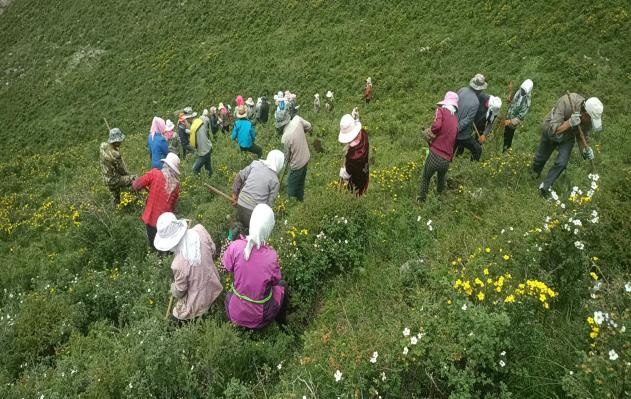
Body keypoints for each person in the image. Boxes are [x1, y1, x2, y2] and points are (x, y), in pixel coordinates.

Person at [222, 204, 287, 329]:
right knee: (282, 285)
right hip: (259, 318)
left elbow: (223, 268)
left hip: (235, 314)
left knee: (231, 293)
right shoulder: (271, 256)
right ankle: (282, 323)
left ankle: (236, 325)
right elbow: (275, 281)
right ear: (269, 228)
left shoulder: (236, 246)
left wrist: (230, 240)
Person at [154, 212, 223, 325]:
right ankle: (210, 307)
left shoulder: (178, 264)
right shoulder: (200, 230)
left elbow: (181, 291)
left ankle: (196, 317)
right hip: (213, 283)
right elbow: (213, 250)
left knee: (174, 320)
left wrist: (173, 288)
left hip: (198, 299)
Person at [532, 93, 602, 196]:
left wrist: (585, 150)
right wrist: (569, 122)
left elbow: (583, 136)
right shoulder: (566, 102)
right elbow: (553, 130)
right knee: (540, 158)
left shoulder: (588, 118)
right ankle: (533, 175)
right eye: (590, 120)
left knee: (562, 163)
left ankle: (544, 188)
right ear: (585, 113)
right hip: (551, 130)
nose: (590, 123)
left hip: (568, 136)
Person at [132, 152, 181, 250]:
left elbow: (136, 185)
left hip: (151, 219)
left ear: (165, 165)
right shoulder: (176, 186)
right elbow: (172, 206)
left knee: (153, 244)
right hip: (166, 223)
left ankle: (154, 259)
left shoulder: (155, 174)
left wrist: (134, 180)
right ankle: (164, 260)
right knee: (165, 246)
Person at [417, 92, 459, 202]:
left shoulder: (441, 110)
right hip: (446, 159)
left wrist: (430, 131)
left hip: (435, 154)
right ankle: (439, 199)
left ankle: (421, 201)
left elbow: (437, 126)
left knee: (426, 178)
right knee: (441, 180)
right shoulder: (455, 118)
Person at [231, 150, 284, 228]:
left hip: (240, 204)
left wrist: (234, 195)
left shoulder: (255, 164)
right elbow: (268, 205)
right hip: (254, 212)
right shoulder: (275, 181)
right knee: (251, 231)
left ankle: (239, 233)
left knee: (241, 227)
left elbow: (239, 176)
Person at [277, 107, 312, 202]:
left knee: (291, 188)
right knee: (300, 183)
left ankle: (291, 205)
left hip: (296, 165)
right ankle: (301, 201)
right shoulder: (297, 119)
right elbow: (309, 126)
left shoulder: (285, 137)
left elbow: (287, 157)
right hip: (306, 157)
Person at [454, 74, 486, 161]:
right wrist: (457, 128)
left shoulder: (462, 90)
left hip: (452, 128)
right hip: (462, 135)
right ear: (479, 89)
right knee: (477, 150)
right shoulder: (476, 102)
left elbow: (453, 106)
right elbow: (468, 120)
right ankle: (471, 168)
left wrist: (453, 128)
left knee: (450, 152)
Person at [100, 128, 136, 205]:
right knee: (134, 178)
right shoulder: (115, 154)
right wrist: (129, 175)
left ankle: (116, 207)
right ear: (115, 141)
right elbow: (121, 171)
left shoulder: (103, 146)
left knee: (116, 197)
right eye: (119, 141)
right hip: (113, 180)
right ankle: (137, 197)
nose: (121, 142)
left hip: (106, 178)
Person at [338, 113, 370, 196]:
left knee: (356, 191)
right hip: (365, 169)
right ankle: (363, 192)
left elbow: (347, 174)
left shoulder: (352, 156)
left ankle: (356, 202)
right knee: (364, 182)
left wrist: (343, 172)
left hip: (356, 179)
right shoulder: (363, 134)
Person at [503, 79, 533, 152]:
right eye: (522, 89)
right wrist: (510, 93)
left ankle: (506, 152)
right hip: (509, 116)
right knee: (505, 135)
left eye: (524, 91)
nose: (522, 91)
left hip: (512, 122)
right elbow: (513, 102)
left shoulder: (527, 103)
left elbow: (520, 118)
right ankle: (504, 149)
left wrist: (509, 121)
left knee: (509, 137)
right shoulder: (519, 91)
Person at [192, 110, 212, 177]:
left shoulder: (195, 126)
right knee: (208, 166)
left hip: (204, 152)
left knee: (195, 169)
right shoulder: (201, 122)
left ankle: (199, 181)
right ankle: (210, 177)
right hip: (208, 148)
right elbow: (207, 130)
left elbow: (194, 144)